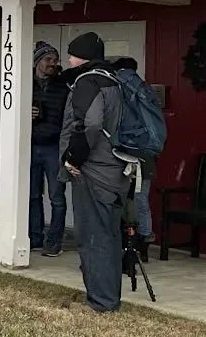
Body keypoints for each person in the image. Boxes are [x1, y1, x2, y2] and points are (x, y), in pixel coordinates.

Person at [59, 31, 129, 313]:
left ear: (81, 57)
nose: (69, 59)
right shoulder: (115, 81)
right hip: (115, 171)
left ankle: (100, 302)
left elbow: (89, 124)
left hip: (94, 172)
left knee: (93, 236)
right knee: (110, 235)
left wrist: (73, 159)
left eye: (72, 54)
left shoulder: (88, 81)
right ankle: (109, 297)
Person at [29, 41, 70, 257]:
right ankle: (35, 236)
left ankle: (54, 241)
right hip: (30, 143)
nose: (52, 64)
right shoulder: (25, 84)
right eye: (48, 60)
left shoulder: (62, 86)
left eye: (55, 60)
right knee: (33, 195)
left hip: (54, 146)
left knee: (57, 196)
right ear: (37, 62)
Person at [112, 56, 155, 261]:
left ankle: (126, 244)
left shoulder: (119, 89)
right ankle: (143, 242)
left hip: (124, 152)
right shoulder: (147, 92)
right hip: (147, 154)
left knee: (121, 199)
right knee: (140, 199)